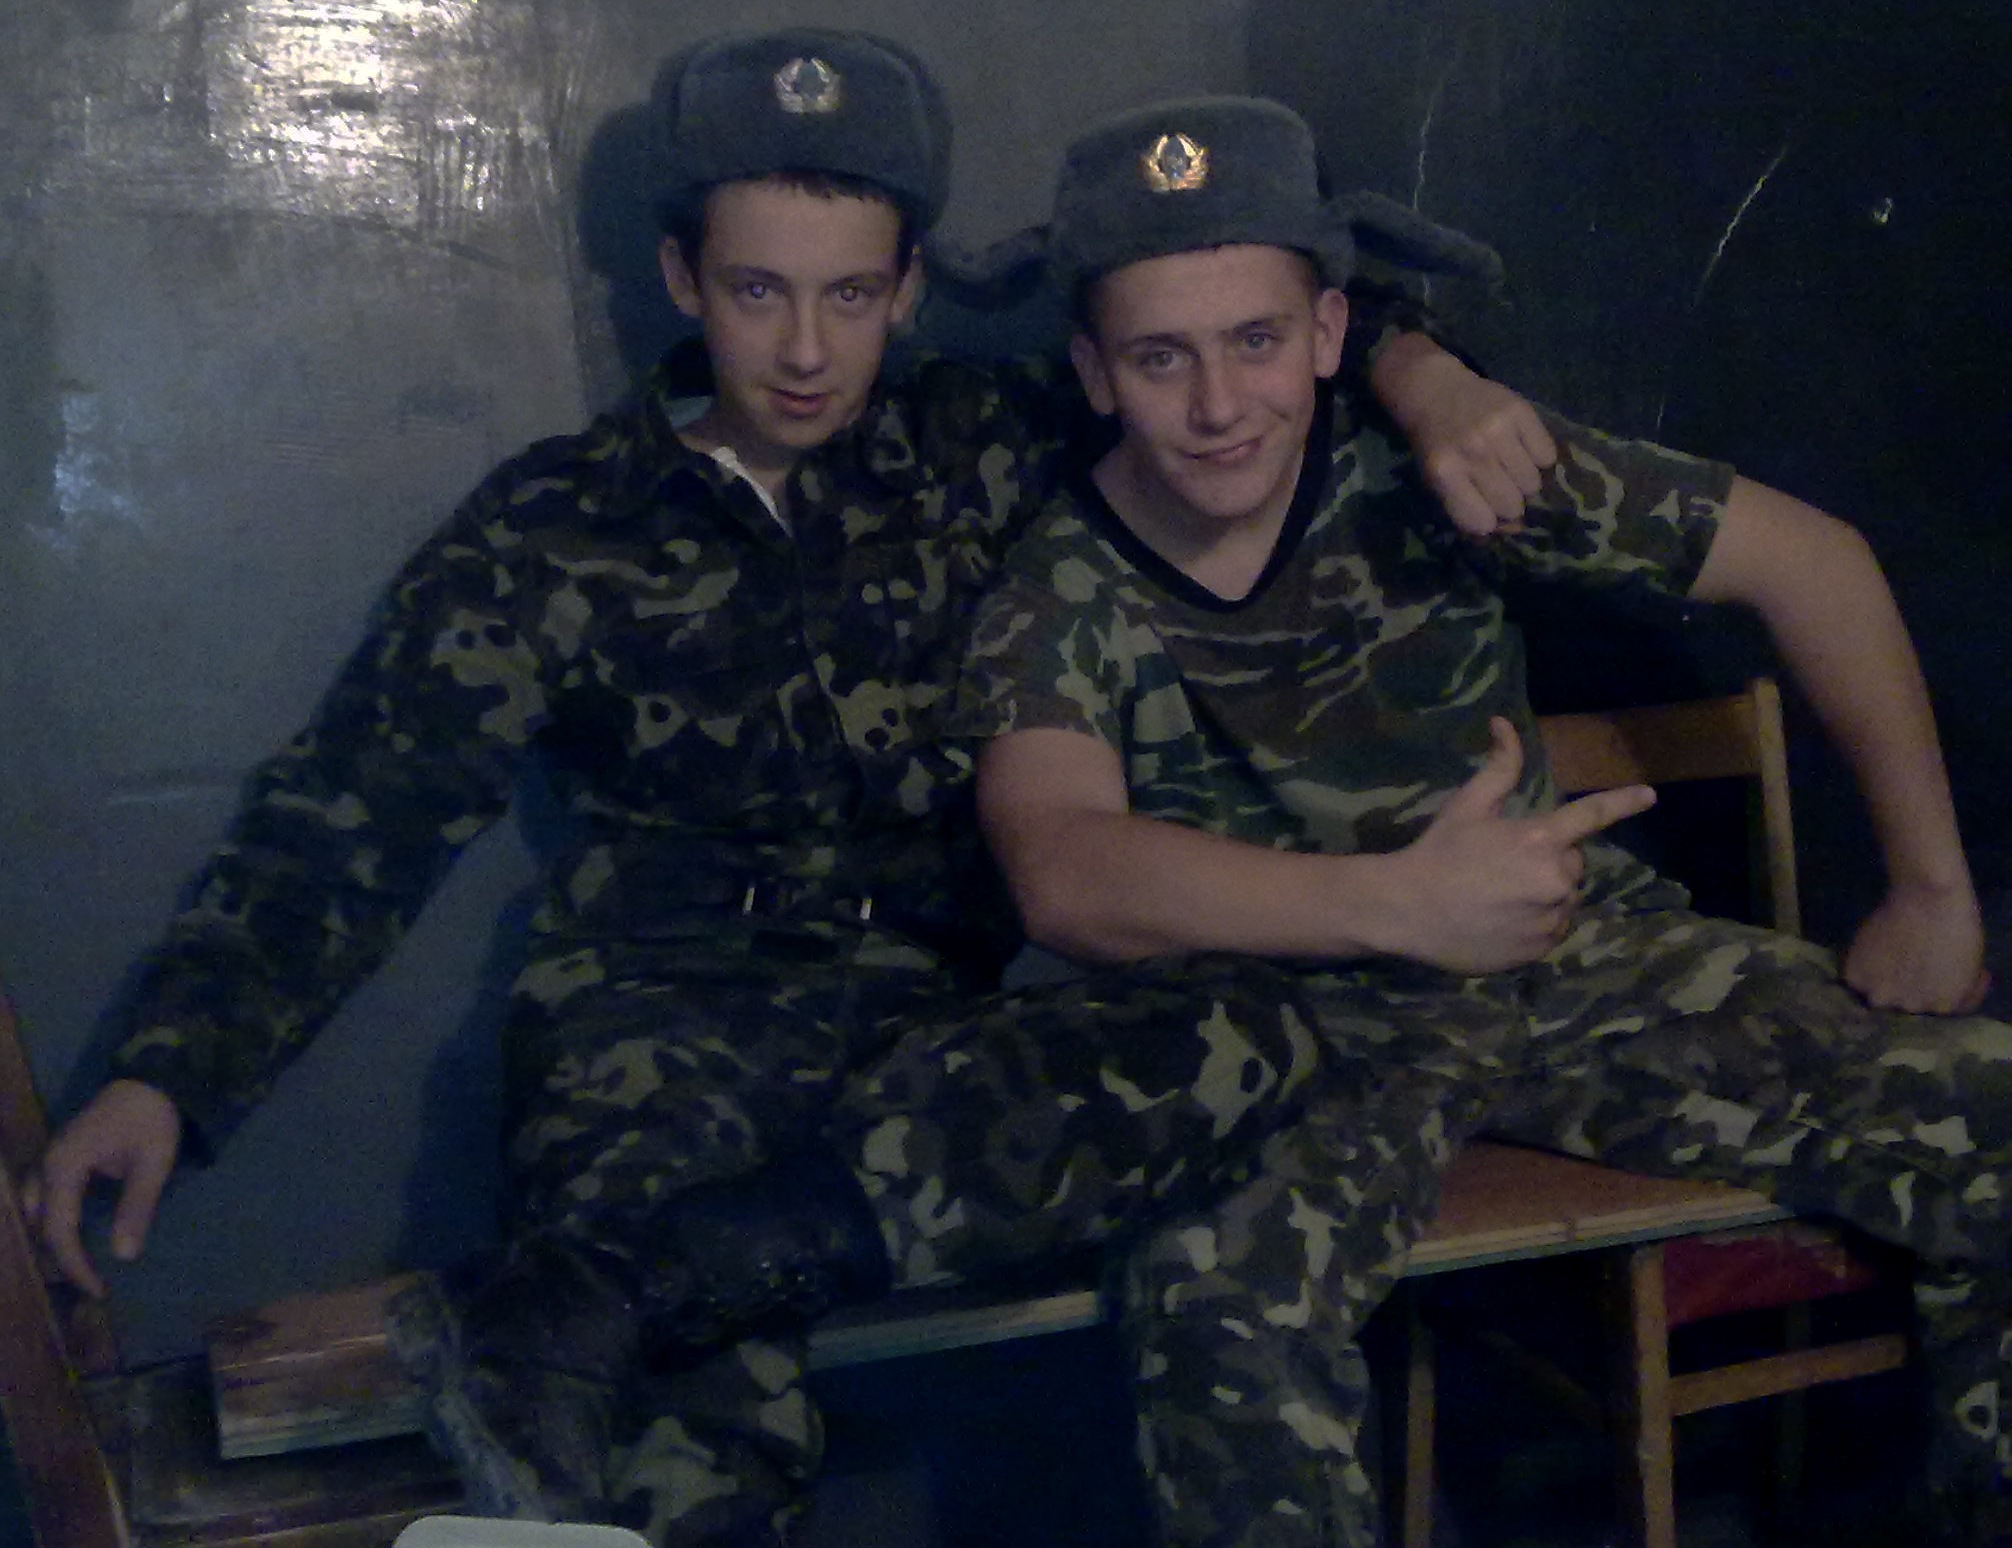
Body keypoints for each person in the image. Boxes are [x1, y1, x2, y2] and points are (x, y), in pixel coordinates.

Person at [22, 33, 1532, 1547]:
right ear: (682, 277)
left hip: (929, 1031)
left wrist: (1429, 378)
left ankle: (611, 1286)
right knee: (695, 1457)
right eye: (760, 292)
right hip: (656, 1022)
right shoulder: (557, 524)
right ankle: (592, 1308)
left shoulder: (981, 446)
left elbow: (1225, 325)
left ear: (909, 288)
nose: (807, 350)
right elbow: (355, 811)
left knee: (1246, 1032)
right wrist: (168, 1074)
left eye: (850, 296)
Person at [877, 94, 2012, 1547]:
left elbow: (1817, 565)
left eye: (1257, 341)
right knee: (1218, 1301)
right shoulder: (1059, 585)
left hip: (1563, 967)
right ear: (1096, 372)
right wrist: (1402, 905)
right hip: (1286, 1033)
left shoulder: (1441, 471)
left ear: (1332, 331)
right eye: (1163, 358)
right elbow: (1064, 869)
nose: (1219, 405)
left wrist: (1931, 888)